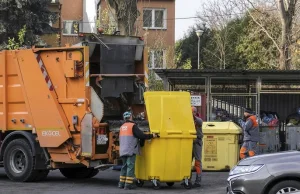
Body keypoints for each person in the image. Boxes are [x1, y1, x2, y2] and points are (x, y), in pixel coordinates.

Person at [118, 111, 158, 190]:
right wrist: (152, 135)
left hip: (123, 149)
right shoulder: (132, 126)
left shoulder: (122, 127)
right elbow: (141, 135)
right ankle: (128, 185)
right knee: (130, 166)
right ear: (130, 117)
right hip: (130, 150)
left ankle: (121, 184)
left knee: (124, 166)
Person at [191, 106, 203, 187]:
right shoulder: (187, 120)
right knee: (187, 162)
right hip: (189, 142)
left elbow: (200, 122)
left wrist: (193, 117)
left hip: (197, 142)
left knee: (197, 162)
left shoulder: (198, 120)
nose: (191, 113)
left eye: (193, 112)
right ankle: (187, 179)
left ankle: (198, 181)